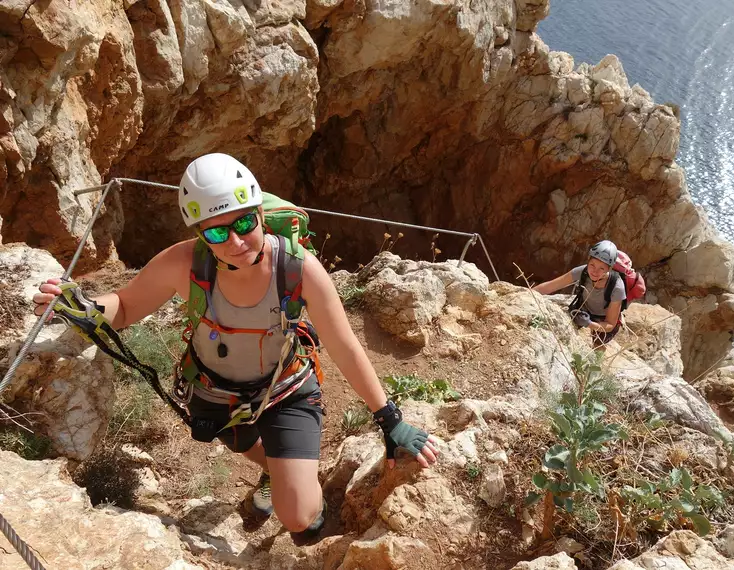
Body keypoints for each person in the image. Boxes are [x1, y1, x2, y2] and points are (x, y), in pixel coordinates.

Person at [32, 153, 439, 539]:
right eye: (216, 231)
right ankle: (275, 470)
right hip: (214, 393)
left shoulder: (298, 270)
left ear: (260, 213)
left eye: (244, 223)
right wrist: (85, 305)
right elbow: (124, 307)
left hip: (285, 391)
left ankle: (298, 487)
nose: (236, 241)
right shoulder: (184, 264)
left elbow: (345, 345)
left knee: (299, 517)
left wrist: (389, 418)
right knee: (243, 443)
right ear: (200, 234)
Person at [532, 240, 625, 348]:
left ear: (609, 268)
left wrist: (589, 324)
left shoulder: (617, 287)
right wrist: (526, 292)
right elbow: (551, 286)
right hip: (584, 309)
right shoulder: (583, 271)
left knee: (598, 344)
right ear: (588, 261)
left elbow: (610, 325)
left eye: (601, 268)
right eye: (592, 265)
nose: (595, 271)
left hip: (603, 318)